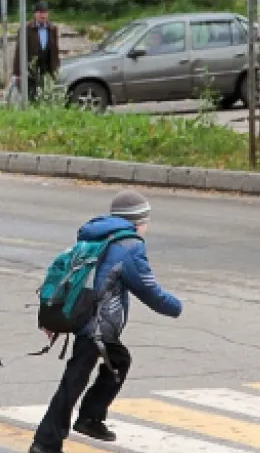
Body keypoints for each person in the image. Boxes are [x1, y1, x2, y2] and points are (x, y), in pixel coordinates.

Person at [29, 190, 183, 453]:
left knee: (117, 362)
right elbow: (148, 289)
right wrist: (175, 306)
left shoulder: (97, 236)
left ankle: (90, 417)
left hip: (87, 319)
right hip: (96, 326)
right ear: (138, 221)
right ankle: (46, 443)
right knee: (75, 380)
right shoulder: (130, 246)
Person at [12, 2, 61, 99]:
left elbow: (55, 50)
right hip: (31, 68)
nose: (43, 15)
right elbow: (19, 52)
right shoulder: (27, 29)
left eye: (45, 13)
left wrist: (56, 67)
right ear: (35, 14)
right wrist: (18, 73)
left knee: (46, 95)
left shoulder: (52, 29)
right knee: (31, 95)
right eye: (40, 13)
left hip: (47, 68)